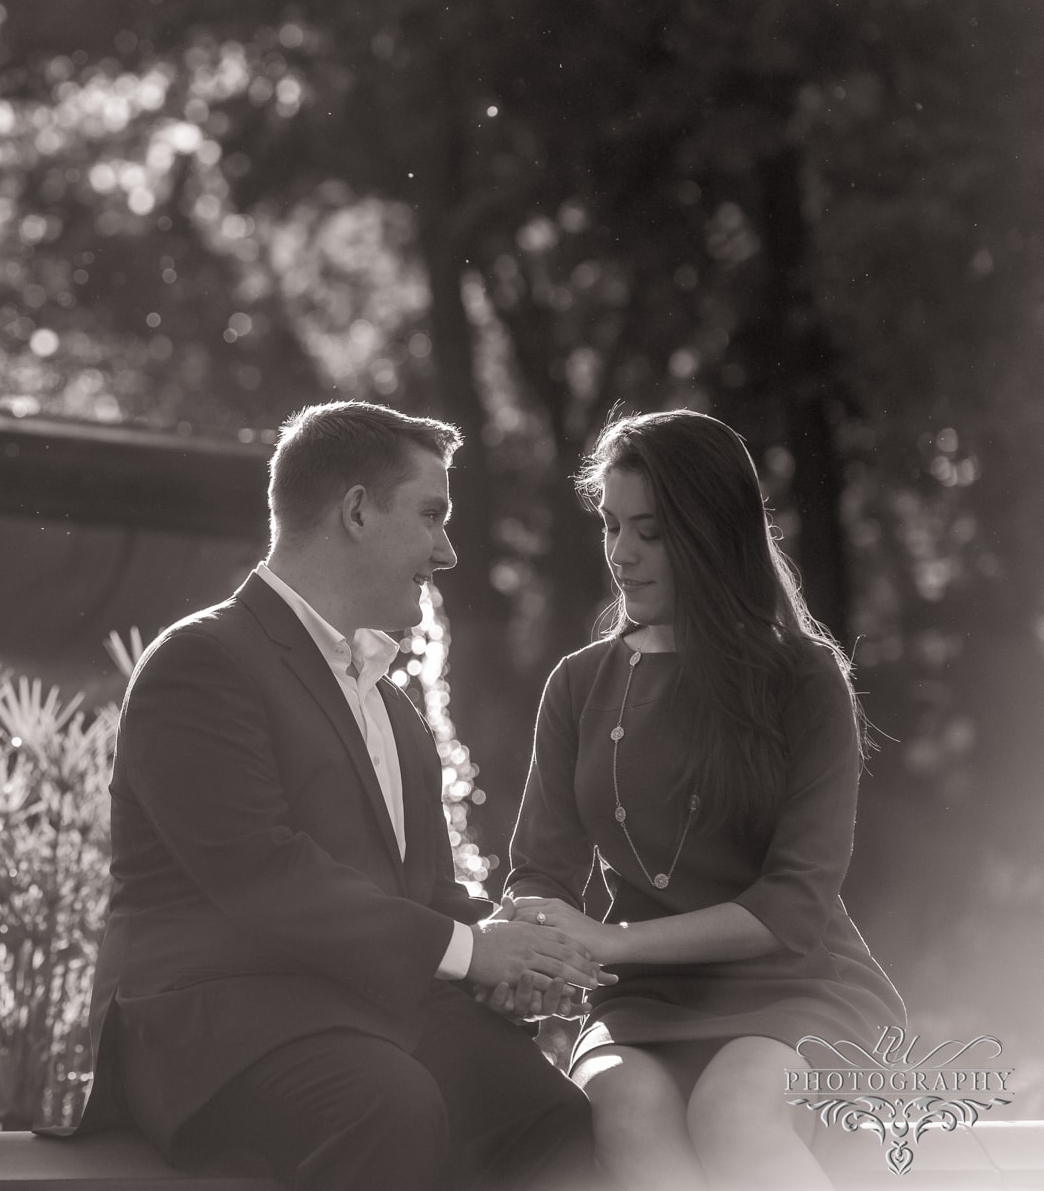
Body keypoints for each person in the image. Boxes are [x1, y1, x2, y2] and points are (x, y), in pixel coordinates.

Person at [57, 401, 607, 1191]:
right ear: (355, 511)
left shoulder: (394, 709)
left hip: (360, 1014)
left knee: (551, 1117)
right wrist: (468, 953)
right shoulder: (201, 661)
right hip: (218, 1028)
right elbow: (259, 874)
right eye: (430, 516)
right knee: (388, 1104)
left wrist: (500, 960)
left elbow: (427, 896)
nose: (447, 551)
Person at [498, 409, 906, 1191]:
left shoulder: (803, 678)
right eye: (612, 526)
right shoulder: (577, 684)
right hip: (641, 1004)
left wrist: (608, 945)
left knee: (735, 1112)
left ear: (714, 532)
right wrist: (535, 940)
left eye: (650, 532)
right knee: (622, 1109)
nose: (621, 554)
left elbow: (793, 907)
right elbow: (538, 875)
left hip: (802, 986)